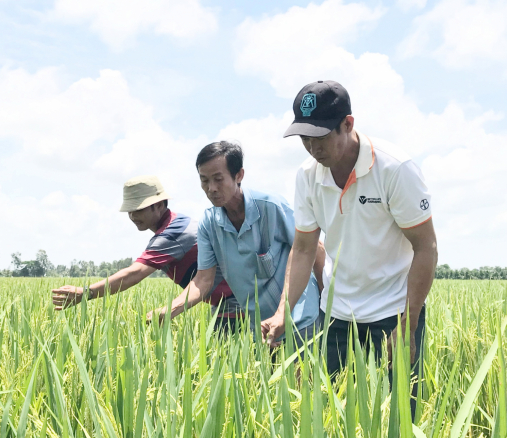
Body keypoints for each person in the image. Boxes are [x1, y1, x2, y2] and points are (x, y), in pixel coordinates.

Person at [261, 80, 438, 401]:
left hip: (393, 311)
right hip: (338, 312)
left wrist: (408, 323)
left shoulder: (395, 169)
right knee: (325, 413)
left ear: (348, 124)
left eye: (320, 137)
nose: (313, 148)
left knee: (399, 413)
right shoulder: (307, 176)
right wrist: (282, 312)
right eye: (304, 138)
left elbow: (426, 247)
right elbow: (302, 249)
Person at [150, 141, 325, 344]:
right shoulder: (209, 223)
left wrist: (327, 306)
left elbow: (314, 249)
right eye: (204, 180)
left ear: (239, 175)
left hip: (300, 319)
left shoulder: (270, 207)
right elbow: (203, 280)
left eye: (218, 179)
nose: (211, 188)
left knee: (304, 375)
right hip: (261, 327)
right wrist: (171, 310)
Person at [51, 176, 241, 330]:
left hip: (239, 300)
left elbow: (134, 274)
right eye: (130, 211)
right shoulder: (177, 223)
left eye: (138, 209)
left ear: (159, 205)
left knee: (224, 360)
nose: (133, 216)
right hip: (227, 301)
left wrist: (87, 293)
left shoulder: (172, 234)